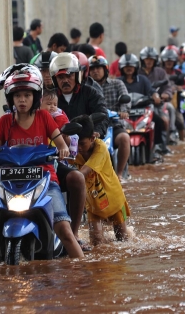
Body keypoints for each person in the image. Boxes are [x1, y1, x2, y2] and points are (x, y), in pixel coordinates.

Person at [0, 68, 83, 260]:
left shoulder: (44, 117)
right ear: (11, 99)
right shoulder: (4, 121)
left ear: (35, 97)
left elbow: (60, 143)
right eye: (17, 95)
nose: (22, 100)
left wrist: (63, 149)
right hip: (10, 180)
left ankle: (83, 276)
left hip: (44, 178)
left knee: (65, 231)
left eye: (27, 95)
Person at [50, 52, 109, 249]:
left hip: (85, 144)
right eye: (60, 77)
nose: (65, 80)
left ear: (78, 75)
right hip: (55, 151)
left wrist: (95, 134)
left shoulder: (91, 92)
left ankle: (76, 232)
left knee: (82, 176)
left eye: (69, 75)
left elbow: (102, 116)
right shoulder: (48, 97)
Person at [70, 115, 130, 246]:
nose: (78, 147)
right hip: (93, 202)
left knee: (124, 241)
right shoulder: (74, 149)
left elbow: (83, 173)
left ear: (92, 138)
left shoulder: (100, 148)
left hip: (114, 199)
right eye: (75, 143)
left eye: (82, 143)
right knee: (96, 242)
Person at [88, 55, 131, 180]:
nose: (95, 71)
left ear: (105, 69)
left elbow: (126, 100)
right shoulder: (88, 88)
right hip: (95, 125)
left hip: (114, 125)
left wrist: (123, 112)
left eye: (99, 68)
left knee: (124, 138)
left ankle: (119, 173)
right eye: (92, 69)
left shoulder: (117, 83)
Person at [119, 54, 168, 155]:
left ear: (136, 67)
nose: (129, 69)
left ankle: (158, 147)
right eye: (126, 67)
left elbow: (151, 90)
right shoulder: (118, 82)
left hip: (143, 111)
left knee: (158, 121)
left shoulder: (142, 79)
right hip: (125, 113)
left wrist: (156, 96)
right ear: (121, 68)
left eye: (131, 67)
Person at [160, 48, 185, 142]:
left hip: (175, 102)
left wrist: (179, 87)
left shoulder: (178, 73)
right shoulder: (160, 72)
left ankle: (182, 141)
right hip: (161, 101)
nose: (169, 63)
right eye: (167, 61)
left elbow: (184, 84)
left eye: (171, 61)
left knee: (181, 123)